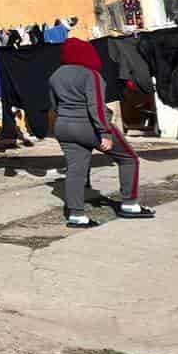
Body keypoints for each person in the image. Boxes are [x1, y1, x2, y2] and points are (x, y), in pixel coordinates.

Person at [48, 38, 153, 227]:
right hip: (88, 126)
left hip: (63, 126)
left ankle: (76, 216)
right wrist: (104, 132)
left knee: (75, 169)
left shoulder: (55, 75)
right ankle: (130, 205)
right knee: (128, 159)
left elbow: (54, 105)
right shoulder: (91, 75)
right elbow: (95, 105)